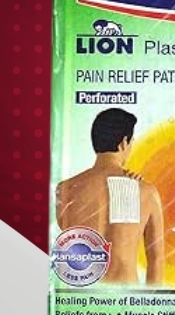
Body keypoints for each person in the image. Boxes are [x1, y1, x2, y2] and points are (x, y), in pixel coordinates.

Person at [56, 108, 164, 286]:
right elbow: (156, 260)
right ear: (124, 142)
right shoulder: (146, 192)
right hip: (127, 297)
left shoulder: (64, 190)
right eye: (132, 142)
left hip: (81, 297)